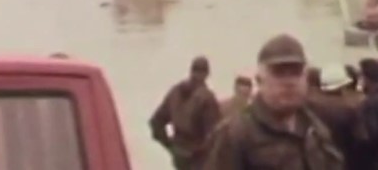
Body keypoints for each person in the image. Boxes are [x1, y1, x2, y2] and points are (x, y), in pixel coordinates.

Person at [202, 34, 344, 170]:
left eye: (296, 72)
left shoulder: (316, 127)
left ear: (305, 78)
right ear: (260, 80)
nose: (289, 82)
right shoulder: (234, 135)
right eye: (279, 73)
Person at [149, 56, 221, 170]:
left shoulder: (175, 92)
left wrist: (170, 145)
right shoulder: (207, 98)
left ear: (191, 70)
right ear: (207, 74)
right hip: (198, 158)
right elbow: (215, 136)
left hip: (179, 154)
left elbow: (156, 122)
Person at [309, 64, 366, 170]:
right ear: (342, 86)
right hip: (343, 161)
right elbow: (362, 139)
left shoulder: (308, 105)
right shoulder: (349, 109)